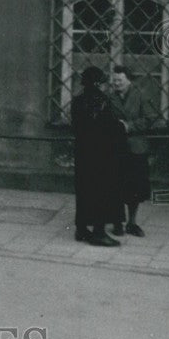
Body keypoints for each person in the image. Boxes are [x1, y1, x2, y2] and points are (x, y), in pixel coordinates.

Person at [70, 67, 125, 247]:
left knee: (84, 189)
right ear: (98, 83)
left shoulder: (77, 101)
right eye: (102, 81)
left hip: (83, 152)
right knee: (102, 191)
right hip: (101, 153)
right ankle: (99, 233)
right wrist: (120, 128)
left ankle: (81, 229)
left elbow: (76, 126)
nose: (105, 85)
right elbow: (110, 127)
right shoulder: (102, 101)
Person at [108, 65, 157, 237]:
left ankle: (132, 222)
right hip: (115, 148)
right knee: (115, 185)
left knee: (135, 187)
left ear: (128, 80)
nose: (116, 83)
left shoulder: (140, 95)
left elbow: (151, 118)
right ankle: (117, 223)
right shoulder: (109, 97)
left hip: (136, 147)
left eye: (120, 80)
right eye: (114, 80)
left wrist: (129, 126)